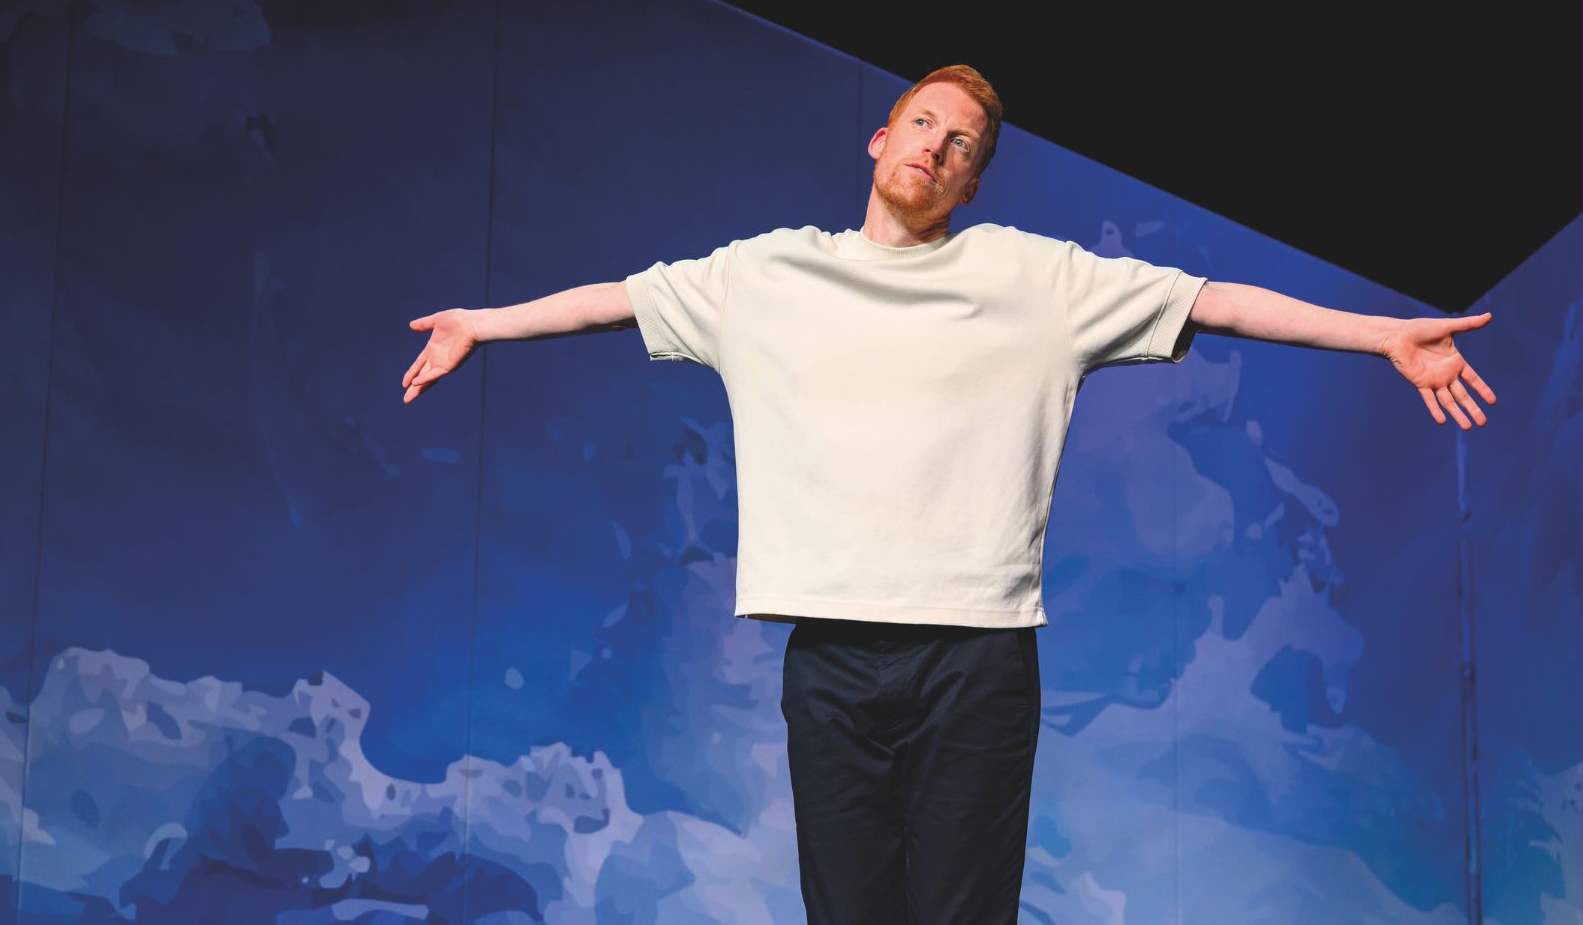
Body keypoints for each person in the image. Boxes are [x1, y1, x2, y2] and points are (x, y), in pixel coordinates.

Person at [399, 65, 1497, 924]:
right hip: (830, 652)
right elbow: (618, 301)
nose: (936, 144)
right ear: (880, 139)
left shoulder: (1032, 278)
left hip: (976, 658)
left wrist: (1383, 336)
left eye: (961, 144)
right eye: (922, 123)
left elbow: (1212, 302)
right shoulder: (764, 276)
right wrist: (480, 326)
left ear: (970, 186)